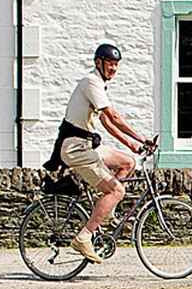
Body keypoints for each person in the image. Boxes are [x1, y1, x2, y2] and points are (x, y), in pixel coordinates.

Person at [55, 42, 157, 260]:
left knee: (128, 163)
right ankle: (84, 236)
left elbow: (107, 124)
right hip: (76, 148)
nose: (113, 69)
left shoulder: (99, 85)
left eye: (116, 65)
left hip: (88, 145)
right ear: (98, 63)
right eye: (110, 64)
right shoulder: (90, 82)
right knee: (117, 191)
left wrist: (133, 146)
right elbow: (114, 117)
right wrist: (142, 138)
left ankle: (106, 210)